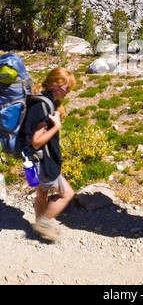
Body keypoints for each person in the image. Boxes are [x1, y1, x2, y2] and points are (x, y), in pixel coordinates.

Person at [21, 67, 76, 241]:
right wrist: (57, 127)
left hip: (33, 158)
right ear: (55, 85)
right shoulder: (44, 105)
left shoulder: (41, 100)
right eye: (67, 88)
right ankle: (42, 224)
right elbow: (37, 140)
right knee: (67, 194)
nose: (68, 92)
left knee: (42, 194)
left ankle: (39, 228)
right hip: (43, 161)